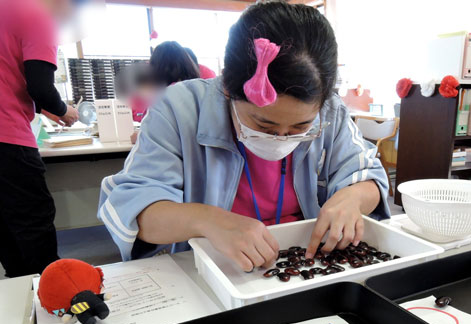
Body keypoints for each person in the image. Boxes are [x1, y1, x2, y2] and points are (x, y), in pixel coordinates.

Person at [99, 1, 389, 271]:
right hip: (212, 269)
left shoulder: (331, 111)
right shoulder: (178, 109)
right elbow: (131, 206)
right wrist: (207, 220)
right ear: (227, 87)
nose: (281, 139)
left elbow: (369, 177)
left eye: (300, 128)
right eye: (264, 125)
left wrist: (352, 198)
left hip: (303, 263)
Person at [0, 0, 79, 277]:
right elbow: (41, 87)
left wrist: (46, 109)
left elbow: (8, 78)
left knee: (6, 231)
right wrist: (64, 109)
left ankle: (22, 289)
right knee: (33, 227)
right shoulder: (38, 15)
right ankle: (49, 291)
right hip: (8, 139)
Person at [128, 41, 200, 143]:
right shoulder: (198, 91)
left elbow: (152, 136)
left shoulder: (163, 98)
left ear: (156, 68)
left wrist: (138, 136)